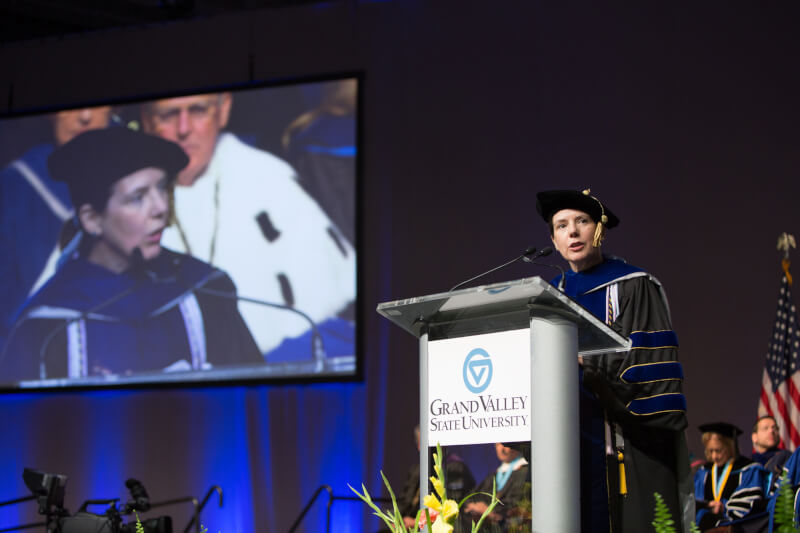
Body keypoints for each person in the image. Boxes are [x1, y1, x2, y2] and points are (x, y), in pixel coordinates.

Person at [0, 127, 262, 382]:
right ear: (92, 220)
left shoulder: (204, 292)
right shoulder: (48, 325)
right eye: (138, 197)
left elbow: (252, 395)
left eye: (161, 188)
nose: (161, 207)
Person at [140, 93, 356, 357]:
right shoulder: (125, 204)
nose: (184, 129)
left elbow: (338, 305)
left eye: (198, 110)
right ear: (147, 121)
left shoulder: (269, 177)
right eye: (169, 115)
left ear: (223, 110)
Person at [535, 189, 692, 533]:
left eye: (582, 221)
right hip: (569, 447)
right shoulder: (549, 296)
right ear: (553, 239)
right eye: (562, 225)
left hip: (628, 443)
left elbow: (651, 373)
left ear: (599, 230)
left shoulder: (634, 285)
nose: (572, 232)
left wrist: (587, 370)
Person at [0, 106, 113, 343]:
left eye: (98, 103)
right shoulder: (16, 190)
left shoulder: (142, 169)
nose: (84, 116)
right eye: (70, 106)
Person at [393, 426, 476, 531]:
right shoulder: (416, 470)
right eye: (420, 443)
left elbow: (452, 506)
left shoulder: (455, 468)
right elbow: (404, 500)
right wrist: (395, 519)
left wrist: (417, 522)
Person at [694, 422, 768, 530]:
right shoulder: (704, 472)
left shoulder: (748, 469)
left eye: (718, 450)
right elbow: (694, 500)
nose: (714, 456)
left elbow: (749, 504)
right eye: (711, 450)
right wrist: (708, 505)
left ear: (730, 447)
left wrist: (723, 508)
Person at [463, 442, 530, 531]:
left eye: (505, 445)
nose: (502, 449)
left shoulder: (525, 472)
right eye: (498, 445)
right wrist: (475, 506)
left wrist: (488, 511)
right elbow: (471, 496)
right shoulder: (494, 475)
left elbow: (516, 503)